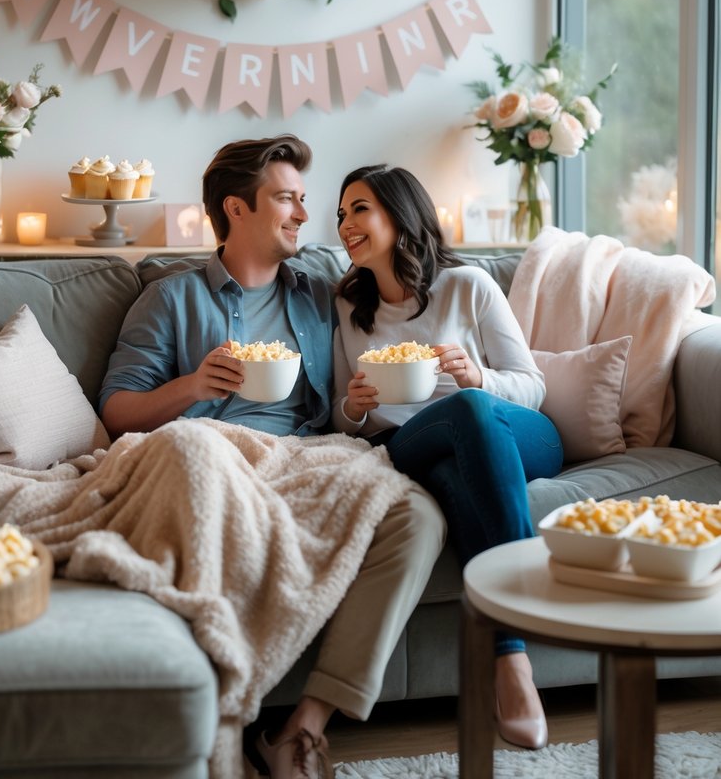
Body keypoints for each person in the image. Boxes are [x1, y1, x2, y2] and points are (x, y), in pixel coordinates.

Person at [99, 136, 445, 779]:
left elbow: (411, 295)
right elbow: (116, 409)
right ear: (236, 209)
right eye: (286, 199)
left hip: (308, 453)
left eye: (302, 200)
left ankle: (302, 726)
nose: (304, 215)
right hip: (210, 448)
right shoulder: (172, 299)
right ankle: (214, 717)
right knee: (198, 461)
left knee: (417, 515)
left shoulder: (322, 294)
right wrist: (194, 386)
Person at [333, 163, 564, 752]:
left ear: (400, 214)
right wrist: (354, 407)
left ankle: (508, 657)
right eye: (341, 214)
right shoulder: (347, 304)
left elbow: (532, 386)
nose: (345, 224)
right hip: (406, 443)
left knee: (468, 419)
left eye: (359, 209)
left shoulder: (470, 285)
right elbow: (344, 419)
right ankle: (514, 663)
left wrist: (476, 375)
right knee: (457, 427)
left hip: (508, 430)